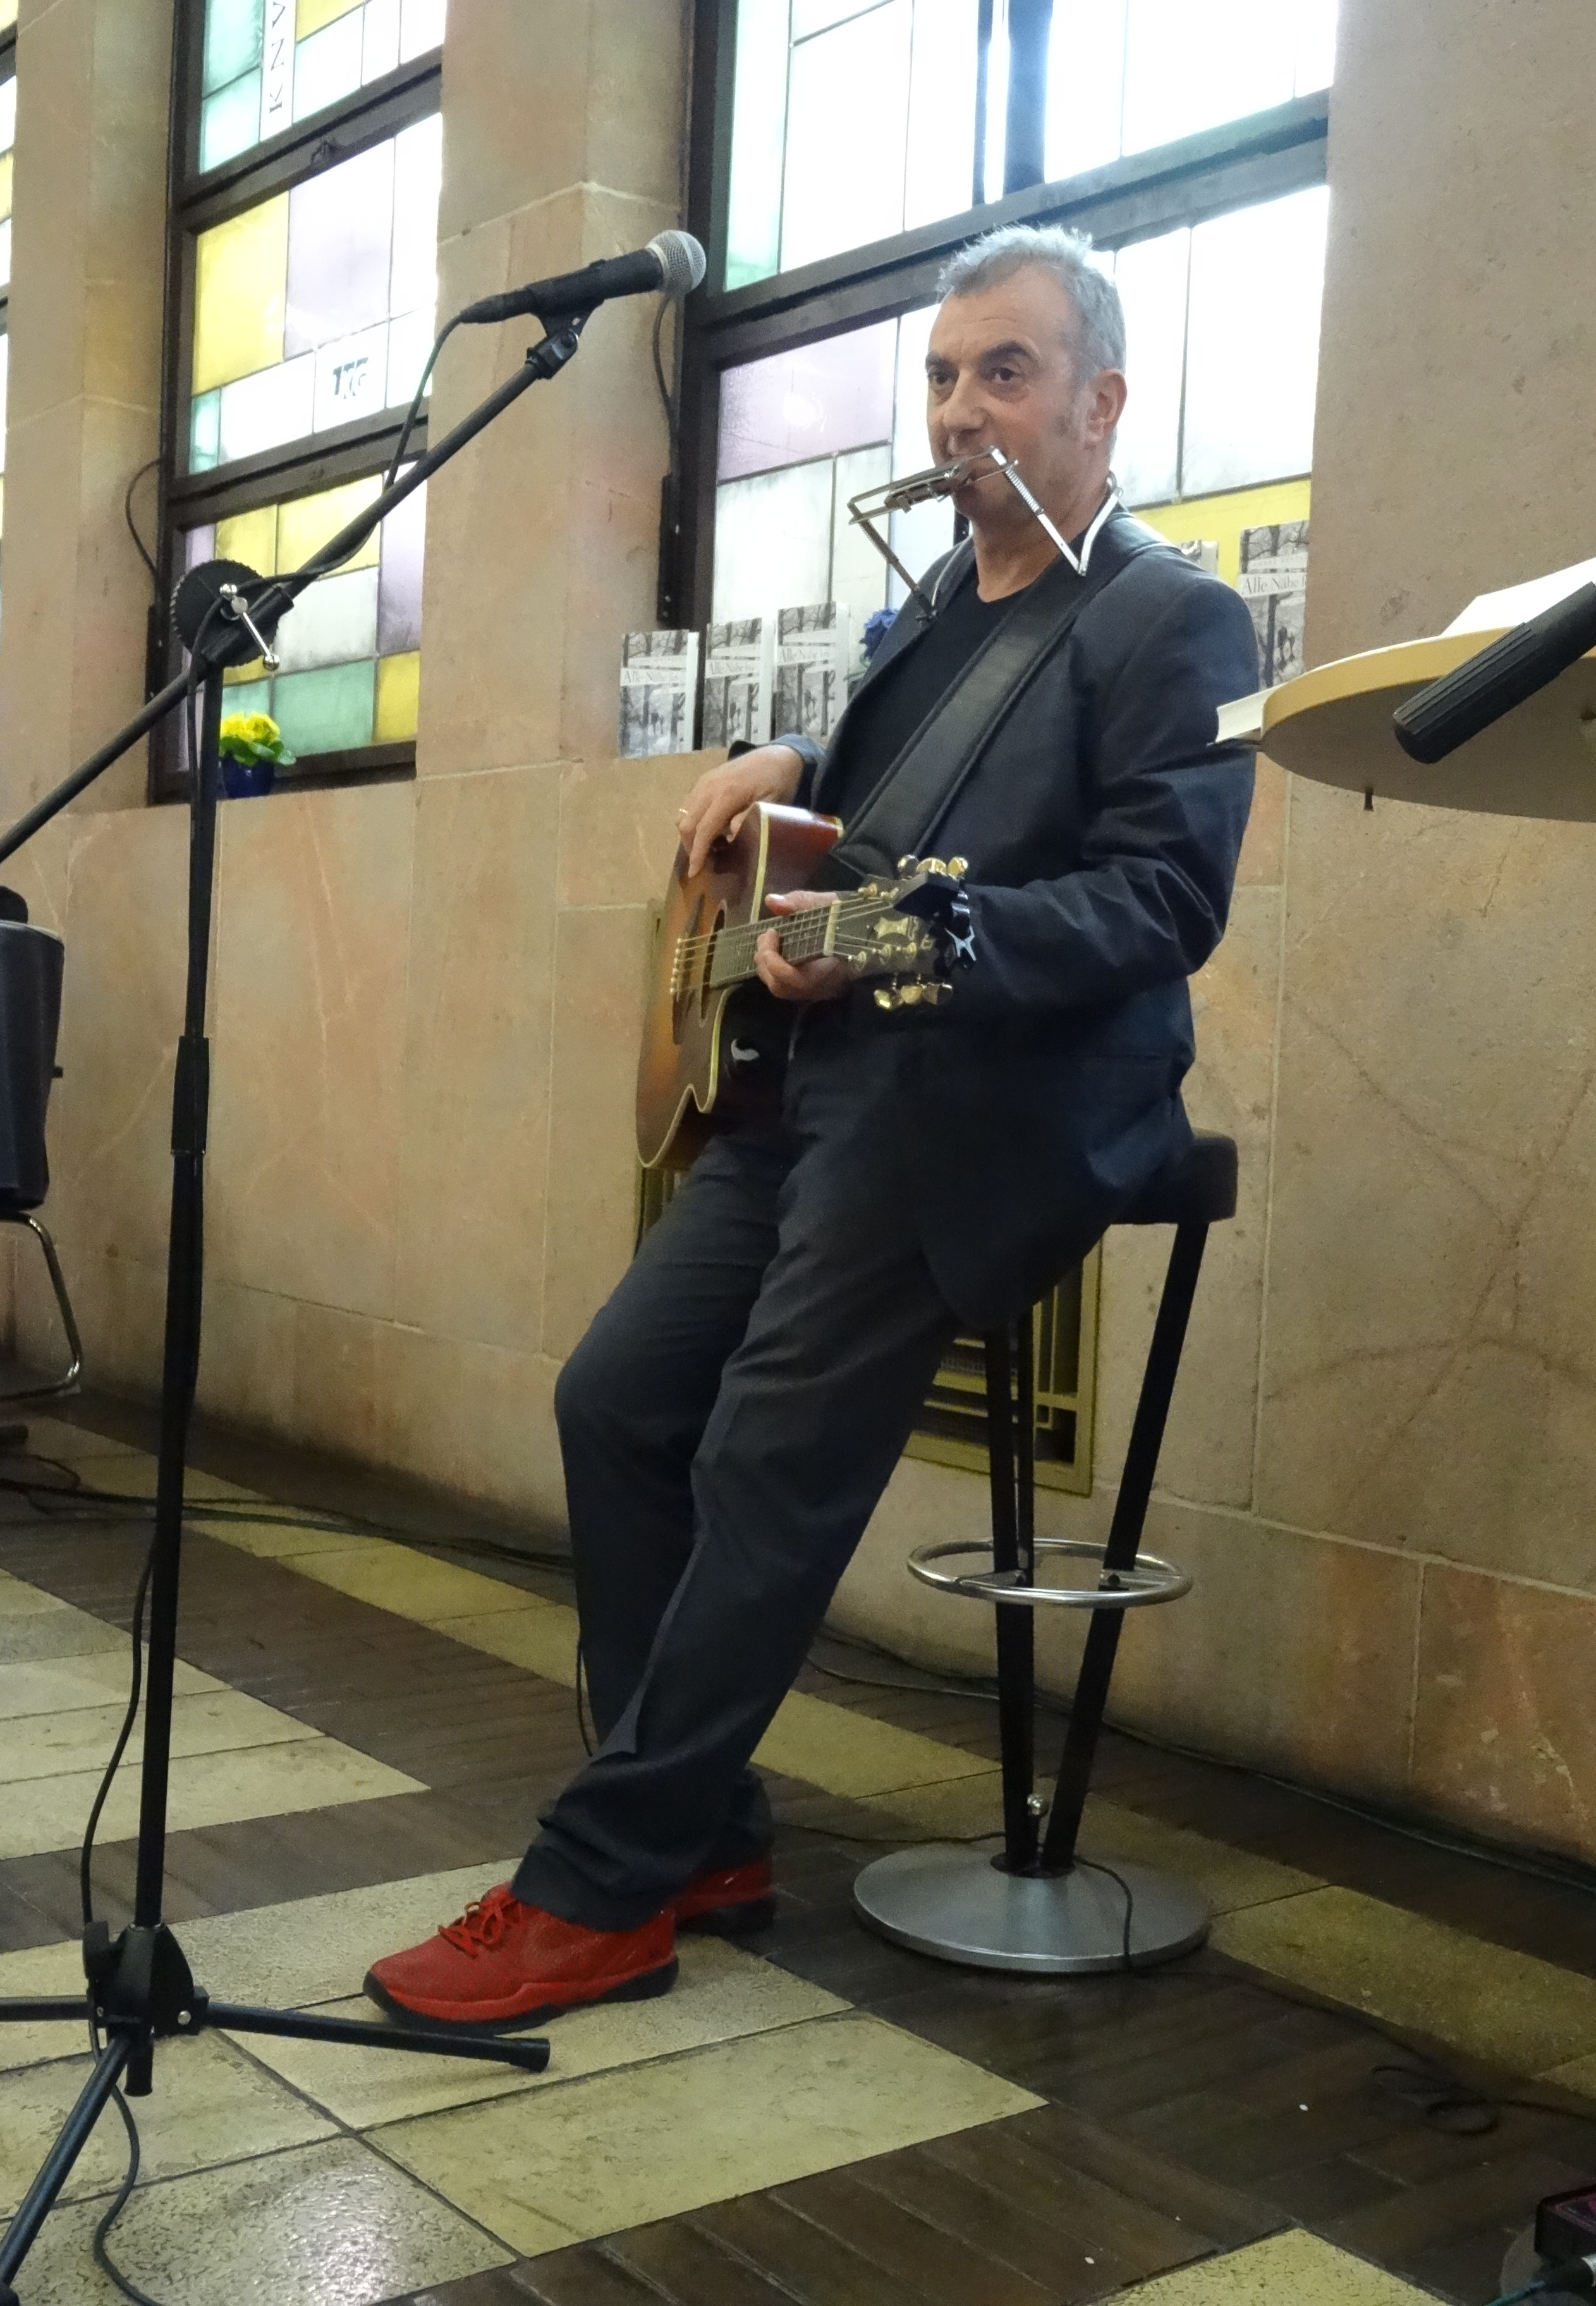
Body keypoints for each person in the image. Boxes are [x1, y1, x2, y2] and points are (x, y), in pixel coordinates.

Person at [365, 223, 1259, 2029]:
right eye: (938, 378)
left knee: (764, 1457)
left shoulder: (1172, 616)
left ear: (1104, 401)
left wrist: (901, 935)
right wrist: (792, 772)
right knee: (616, 1400)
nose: (956, 413)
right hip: (813, 1091)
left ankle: (601, 1885)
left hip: (984, 1106)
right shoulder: (922, 614)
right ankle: (705, 1828)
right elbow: (874, 813)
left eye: (1002, 372)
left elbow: (1165, 905)